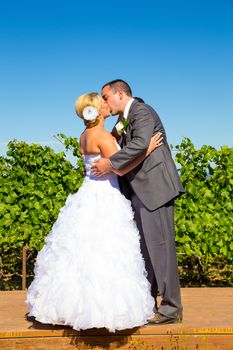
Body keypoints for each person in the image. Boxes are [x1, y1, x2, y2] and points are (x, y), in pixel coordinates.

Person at [26, 92, 163, 332]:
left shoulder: (85, 135)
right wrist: (148, 149)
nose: (107, 105)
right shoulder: (102, 137)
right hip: (105, 196)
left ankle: (69, 308)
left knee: (81, 251)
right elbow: (120, 167)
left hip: (87, 192)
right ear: (98, 111)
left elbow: (103, 150)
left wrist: (118, 131)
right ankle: (104, 311)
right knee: (106, 250)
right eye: (103, 104)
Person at [91, 80, 184, 325]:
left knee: (161, 250)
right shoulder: (123, 120)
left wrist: (110, 164)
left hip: (155, 190)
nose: (104, 102)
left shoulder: (142, 111)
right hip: (139, 191)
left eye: (106, 96)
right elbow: (132, 144)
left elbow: (140, 143)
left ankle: (171, 309)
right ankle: (149, 303)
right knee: (146, 252)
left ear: (119, 94)